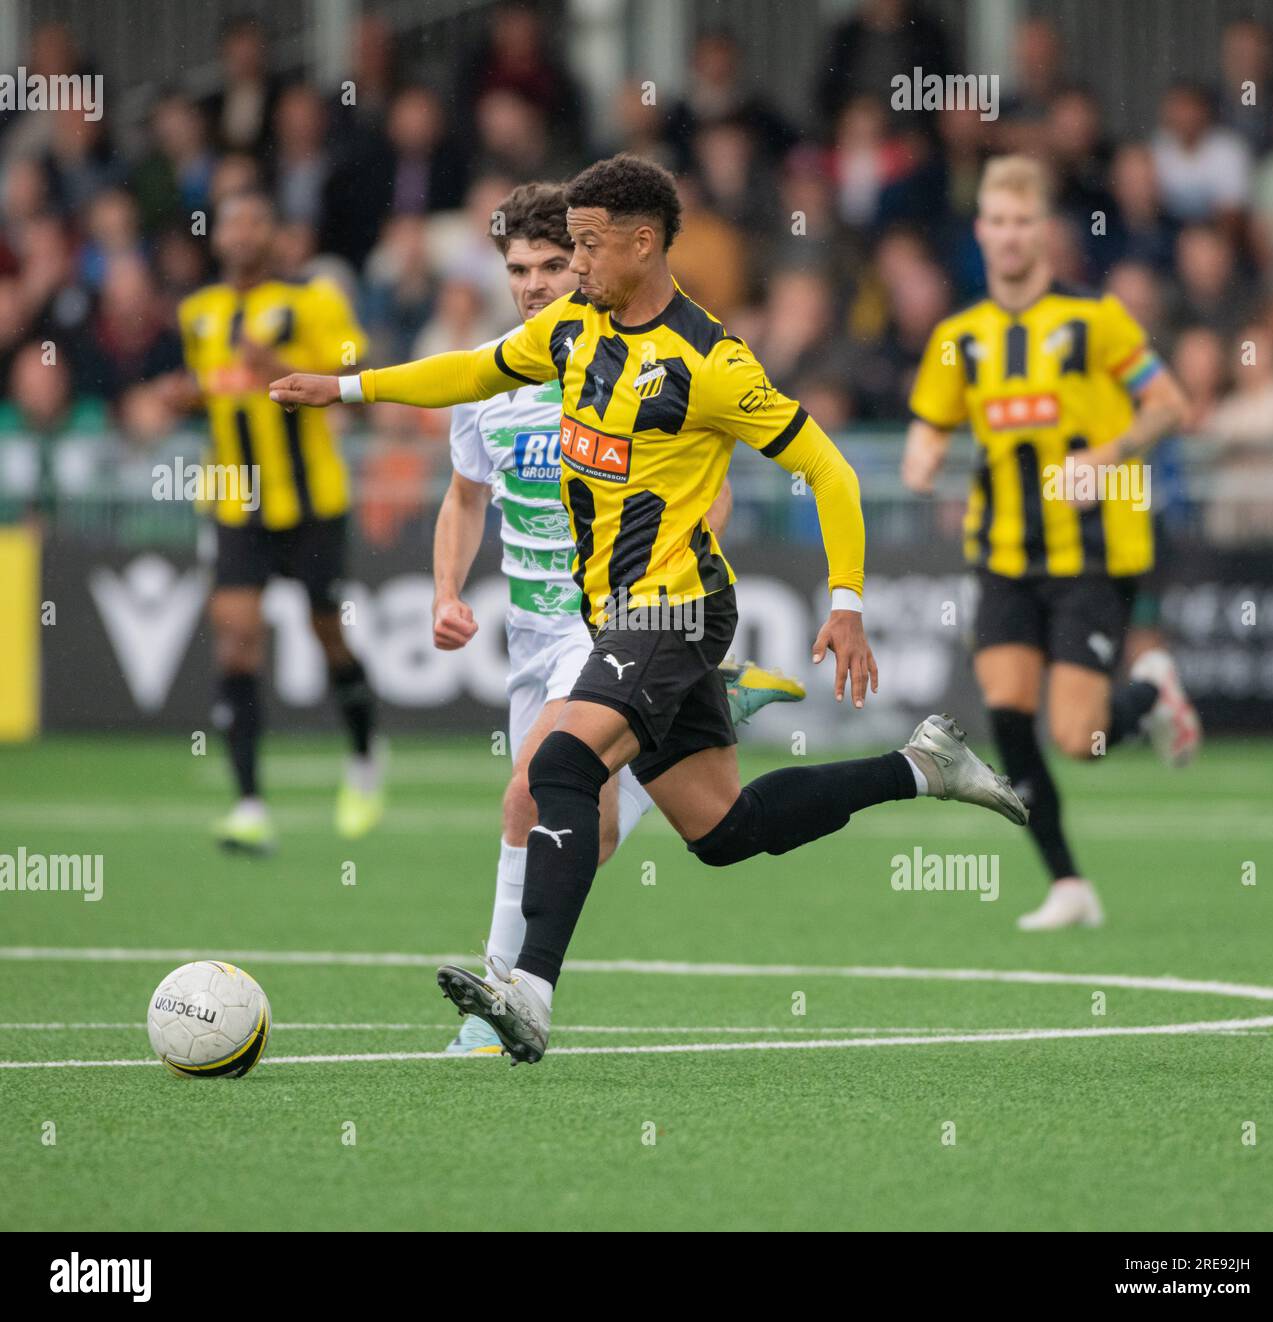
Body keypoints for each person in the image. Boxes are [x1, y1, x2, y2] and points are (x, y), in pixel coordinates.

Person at [268, 153, 1028, 1065]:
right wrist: (345, 388)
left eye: (585, 247)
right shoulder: (572, 334)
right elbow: (468, 373)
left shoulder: (711, 360)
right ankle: (922, 766)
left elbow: (827, 467)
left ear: (642, 241)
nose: (572, 267)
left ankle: (527, 992)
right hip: (613, 618)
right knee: (723, 830)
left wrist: (848, 600)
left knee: (558, 766)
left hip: (675, 612)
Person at [434, 180, 805, 1054]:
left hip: (613, 621)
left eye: (554, 263)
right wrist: (447, 590)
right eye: (519, 267)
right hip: (532, 632)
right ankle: (691, 713)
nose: (533, 283)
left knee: (530, 791)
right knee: (586, 830)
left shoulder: (627, 359)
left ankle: (500, 1002)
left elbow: (695, 474)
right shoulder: (494, 378)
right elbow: (462, 497)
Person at [902, 156, 1199, 933]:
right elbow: (930, 421)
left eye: (1022, 222)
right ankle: (1069, 884)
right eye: (996, 221)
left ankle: (1152, 694)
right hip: (1002, 554)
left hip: (1092, 553)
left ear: (1044, 231)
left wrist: (1107, 455)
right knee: (1005, 712)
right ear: (981, 231)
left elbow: (1170, 404)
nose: (1008, 235)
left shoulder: (1095, 319)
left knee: (1080, 738)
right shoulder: (959, 336)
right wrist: (923, 453)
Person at [164, 190, 384, 851]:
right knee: (235, 640)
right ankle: (251, 805)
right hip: (235, 502)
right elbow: (214, 392)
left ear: (275, 234)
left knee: (327, 634)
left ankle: (365, 756)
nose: (240, 231)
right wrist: (183, 398)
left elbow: (357, 377)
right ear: (217, 236)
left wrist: (284, 369)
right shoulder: (199, 312)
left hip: (311, 500)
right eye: (230, 220)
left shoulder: (314, 298)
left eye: (253, 218)